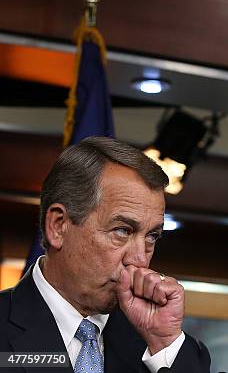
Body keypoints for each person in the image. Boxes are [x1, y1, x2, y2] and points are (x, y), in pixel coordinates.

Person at [0, 136, 211, 372]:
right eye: (122, 230)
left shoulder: (159, 348)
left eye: (152, 236)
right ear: (59, 226)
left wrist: (164, 343)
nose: (139, 260)